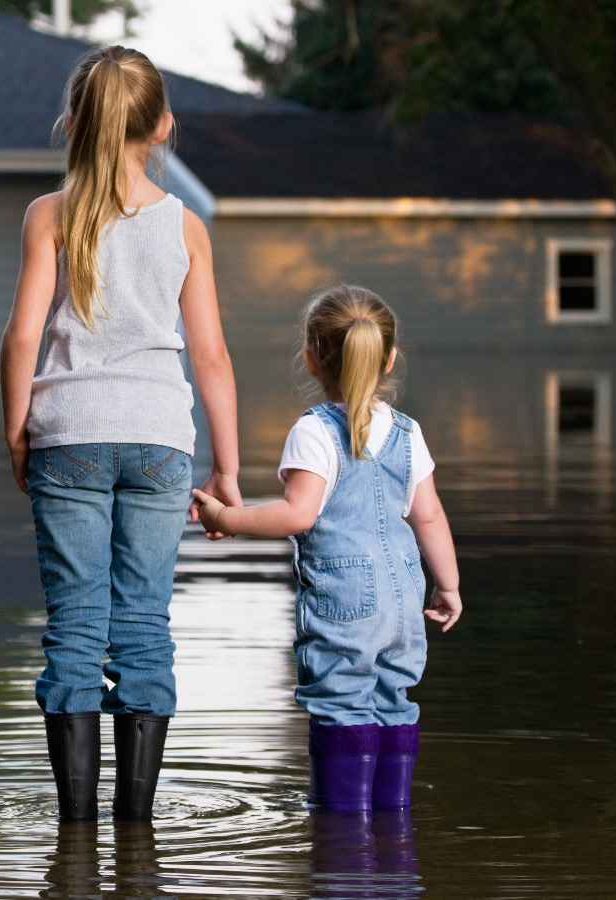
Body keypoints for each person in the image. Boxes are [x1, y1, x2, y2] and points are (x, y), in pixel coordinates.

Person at [0, 45, 241, 822]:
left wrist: (17, 433)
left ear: (73, 124)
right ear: (163, 126)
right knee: (142, 625)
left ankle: (74, 835)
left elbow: (22, 336)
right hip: (161, 439)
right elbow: (211, 355)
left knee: (76, 626)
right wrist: (228, 470)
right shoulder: (187, 227)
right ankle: (137, 833)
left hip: (67, 433)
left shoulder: (51, 214)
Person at [190, 285, 462, 811]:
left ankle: (342, 833)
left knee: (341, 703)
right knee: (393, 698)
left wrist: (228, 518)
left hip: (346, 598)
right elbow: (428, 514)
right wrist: (447, 584)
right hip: (405, 597)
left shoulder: (314, 431)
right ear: (388, 358)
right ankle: (394, 828)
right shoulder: (407, 433)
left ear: (312, 357)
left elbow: (299, 514)